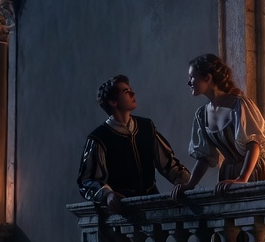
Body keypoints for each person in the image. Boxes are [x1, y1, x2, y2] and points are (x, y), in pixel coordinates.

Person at [171, 53, 265, 200]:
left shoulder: (239, 105)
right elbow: (204, 157)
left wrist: (242, 178)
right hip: (232, 171)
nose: (189, 83)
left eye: (192, 77)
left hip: (256, 169)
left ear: (207, 78)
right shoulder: (202, 115)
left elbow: (254, 144)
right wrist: (190, 185)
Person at [78, 74, 190, 215]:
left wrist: (190, 185)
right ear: (113, 102)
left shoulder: (146, 127)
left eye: (131, 90)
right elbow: (87, 180)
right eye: (126, 92)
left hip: (152, 204)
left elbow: (169, 165)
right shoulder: (99, 138)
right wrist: (107, 195)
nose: (133, 93)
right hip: (124, 209)